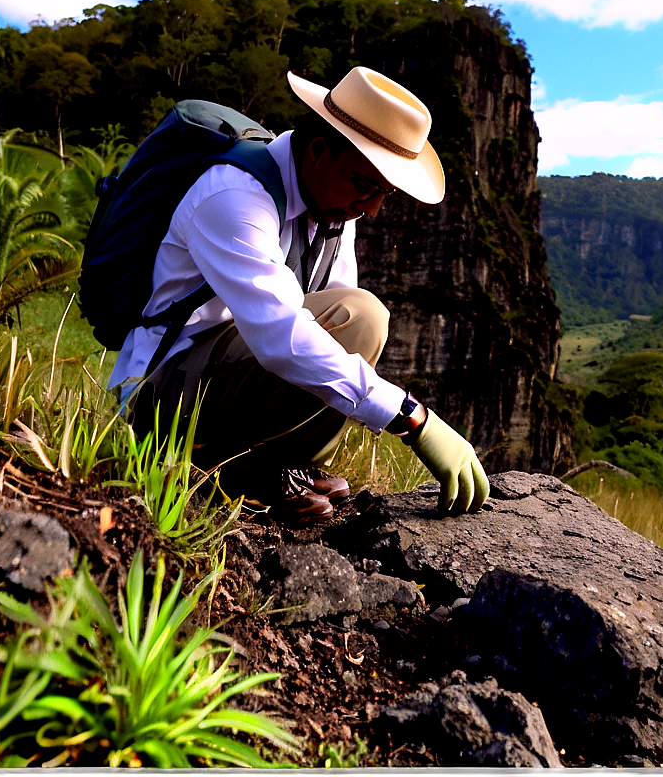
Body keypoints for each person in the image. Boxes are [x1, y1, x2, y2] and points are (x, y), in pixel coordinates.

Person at [110, 66, 489, 525]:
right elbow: (282, 337)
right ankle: (224, 470)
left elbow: (335, 314)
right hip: (161, 396)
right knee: (355, 319)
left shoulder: (330, 209)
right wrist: (411, 418)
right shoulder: (233, 196)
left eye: (384, 194)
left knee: (361, 319)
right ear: (316, 151)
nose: (371, 209)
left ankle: (264, 466)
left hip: (226, 376)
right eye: (366, 186)